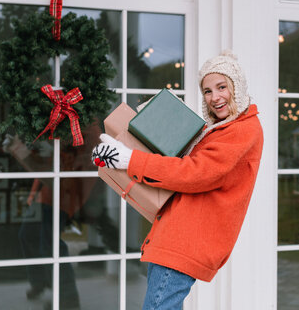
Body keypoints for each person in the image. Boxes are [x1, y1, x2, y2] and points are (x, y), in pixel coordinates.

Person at [91, 50, 264, 309]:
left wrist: (130, 159)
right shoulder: (220, 129)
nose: (214, 97)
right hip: (176, 237)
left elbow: (194, 173)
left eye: (221, 87)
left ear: (236, 87)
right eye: (207, 91)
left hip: (186, 242)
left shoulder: (242, 130)